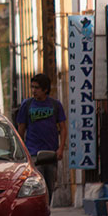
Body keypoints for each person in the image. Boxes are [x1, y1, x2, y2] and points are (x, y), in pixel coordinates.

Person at [16, 73, 67, 204]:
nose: (33, 91)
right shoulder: (27, 105)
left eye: (37, 88)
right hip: (33, 153)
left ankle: (46, 211)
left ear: (45, 89)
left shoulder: (55, 105)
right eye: (32, 87)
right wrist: (20, 150)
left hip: (51, 153)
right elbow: (21, 129)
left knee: (49, 187)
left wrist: (61, 149)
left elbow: (63, 128)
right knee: (35, 187)